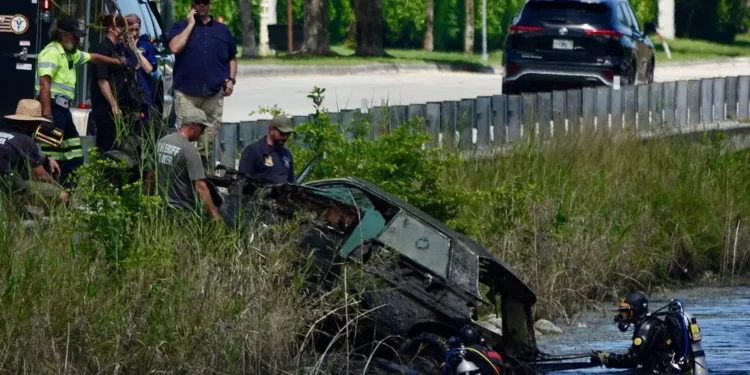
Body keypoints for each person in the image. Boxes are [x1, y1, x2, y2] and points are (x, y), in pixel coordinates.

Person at [35, 15, 125, 187]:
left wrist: (117, 62)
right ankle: (50, 198)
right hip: (52, 108)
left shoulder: (70, 54)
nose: (78, 40)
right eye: (75, 36)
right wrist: (46, 116)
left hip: (64, 110)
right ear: (62, 34)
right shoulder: (52, 52)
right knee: (51, 155)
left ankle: (67, 193)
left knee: (75, 155)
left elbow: (93, 57)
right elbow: (44, 84)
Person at [165, 0, 238, 164]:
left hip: (213, 92)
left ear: (210, 4)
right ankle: (184, 174)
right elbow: (175, 48)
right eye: (198, 3)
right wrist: (190, 25)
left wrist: (231, 80)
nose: (202, 6)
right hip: (187, 92)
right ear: (192, 5)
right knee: (187, 137)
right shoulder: (180, 27)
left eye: (205, 2)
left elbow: (232, 58)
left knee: (207, 142)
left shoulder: (222, 30)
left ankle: (203, 176)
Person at [591, 291, 708, 374]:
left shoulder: (645, 328)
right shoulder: (652, 323)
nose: (622, 315)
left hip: (664, 372)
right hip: (672, 370)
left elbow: (632, 361)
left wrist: (606, 358)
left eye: (625, 312)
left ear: (634, 311)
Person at [90, 14, 148, 155]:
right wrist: (114, 104)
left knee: (121, 146)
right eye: (122, 27)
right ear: (112, 29)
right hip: (107, 108)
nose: (124, 31)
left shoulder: (119, 49)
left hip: (122, 106)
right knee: (109, 146)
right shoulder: (103, 48)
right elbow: (102, 80)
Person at [152, 108, 220, 221]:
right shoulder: (189, 150)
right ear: (194, 126)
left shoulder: (162, 142)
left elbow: (151, 175)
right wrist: (214, 215)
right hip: (183, 214)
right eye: (202, 128)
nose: (202, 132)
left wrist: (149, 202)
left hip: (161, 210)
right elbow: (200, 187)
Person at [0, 99, 70, 205]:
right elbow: (40, 175)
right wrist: (60, 187)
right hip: (7, 185)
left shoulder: (3, 132)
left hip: (5, 181)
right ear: (33, 123)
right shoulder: (24, 140)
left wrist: (46, 158)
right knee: (63, 196)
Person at [238, 114, 295, 184]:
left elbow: (291, 182)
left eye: (288, 134)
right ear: (271, 130)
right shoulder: (253, 151)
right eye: (282, 133)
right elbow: (242, 182)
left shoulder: (287, 154)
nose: (285, 137)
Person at [124, 13, 159, 126]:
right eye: (131, 30)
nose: (134, 33)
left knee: (143, 127)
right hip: (124, 93)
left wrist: (135, 50)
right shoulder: (120, 45)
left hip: (141, 94)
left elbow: (149, 69)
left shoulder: (145, 45)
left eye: (136, 30)